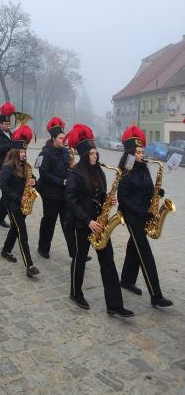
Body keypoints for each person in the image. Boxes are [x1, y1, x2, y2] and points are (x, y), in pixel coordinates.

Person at [65, 124, 133, 317]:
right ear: (85, 155)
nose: (95, 157)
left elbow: (101, 194)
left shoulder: (99, 172)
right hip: (82, 224)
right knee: (79, 259)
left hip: (100, 223)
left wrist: (108, 199)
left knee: (108, 262)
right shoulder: (75, 174)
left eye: (96, 154)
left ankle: (114, 304)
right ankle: (75, 292)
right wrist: (88, 221)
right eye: (92, 154)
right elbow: (71, 201)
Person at [117, 126, 173, 308]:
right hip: (133, 215)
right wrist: (140, 211)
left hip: (143, 214)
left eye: (142, 151)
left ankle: (126, 280)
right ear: (131, 154)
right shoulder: (127, 169)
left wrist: (157, 192)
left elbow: (146, 189)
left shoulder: (143, 168)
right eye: (138, 152)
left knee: (133, 247)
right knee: (145, 253)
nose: (142, 155)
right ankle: (156, 295)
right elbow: (122, 198)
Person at [0, 125, 39, 277]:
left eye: (25, 151)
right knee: (22, 233)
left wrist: (33, 182)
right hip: (12, 204)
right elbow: (4, 189)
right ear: (15, 152)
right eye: (21, 152)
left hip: (22, 205)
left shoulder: (26, 166)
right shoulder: (8, 168)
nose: (24, 154)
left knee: (15, 229)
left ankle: (5, 250)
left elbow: (32, 179)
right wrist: (19, 197)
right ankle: (29, 265)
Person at [37, 117, 76, 260]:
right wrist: (61, 181)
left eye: (64, 138)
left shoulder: (66, 151)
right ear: (53, 139)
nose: (63, 140)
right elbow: (44, 173)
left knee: (68, 223)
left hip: (64, 193)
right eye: (60, 138)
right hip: (50, 193)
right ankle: (43, 248)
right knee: (49, 221)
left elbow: (68, 168)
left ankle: (74, 252)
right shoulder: (45, 153)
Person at [0, 102, 16, 228]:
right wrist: (10, 145)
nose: (7, 126)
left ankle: (0, 217)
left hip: (10, 166)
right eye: (5, 124)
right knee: (6, 192)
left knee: (6, 193)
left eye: (8, 124)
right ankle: (0, 217)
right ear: (0, 124)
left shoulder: (11, 134)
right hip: (1, 168)